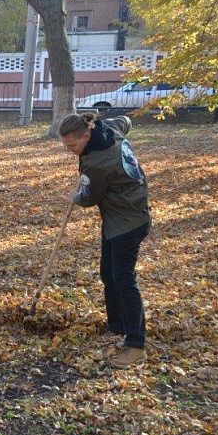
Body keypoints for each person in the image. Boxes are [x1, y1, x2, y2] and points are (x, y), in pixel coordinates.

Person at [59, 113, 150, 368]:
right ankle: (117, 325)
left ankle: (136, 345)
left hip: (128, 221)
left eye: (72, 146)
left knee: (123, 278)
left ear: (86, 136)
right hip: (117, 217)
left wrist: (76, 197)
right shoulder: (107, 128)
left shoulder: (97, 163)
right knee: (108, 273)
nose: (70, 151)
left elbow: (89, 198)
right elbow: (125, 121)